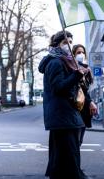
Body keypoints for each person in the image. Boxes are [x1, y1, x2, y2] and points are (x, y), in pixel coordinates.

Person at [38, 31, 90, 179]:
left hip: (64, 116)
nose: (69, 45)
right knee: (69, 155)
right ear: (57, 45)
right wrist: (76, 75)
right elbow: (58, 87)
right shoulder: (55, 62)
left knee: (61, 156)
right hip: (63, 116)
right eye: (65, 42)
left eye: (71, 42)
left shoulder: (63, 61)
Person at [72, 44, 97, 145]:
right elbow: (79, 90)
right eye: (78, 52)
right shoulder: (73, 69)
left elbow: (85, 91)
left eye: (83, 52)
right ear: (73, 55)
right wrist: (90, 101)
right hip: (76, 109)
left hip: (84, 111)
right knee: (75, 142)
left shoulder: (87, 70)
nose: (81, 54)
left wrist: (90, 102)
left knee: (79, 142)